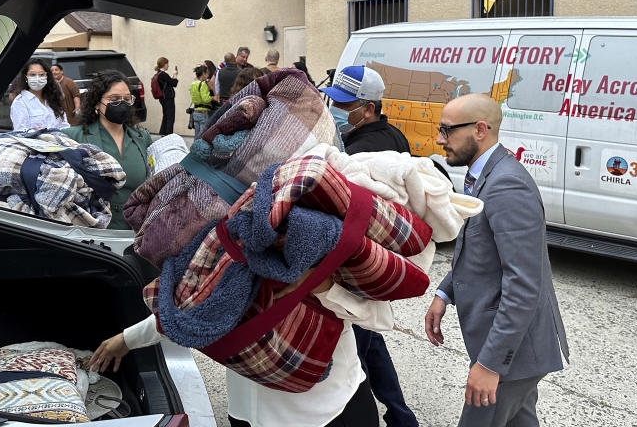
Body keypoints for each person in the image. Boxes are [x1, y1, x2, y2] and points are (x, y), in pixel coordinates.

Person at [424, 93, 569, 427]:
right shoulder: (485, 173)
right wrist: (444, 293)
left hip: (511, 357)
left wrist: (490, 365)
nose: (439, 139)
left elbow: (523, 284)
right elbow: (477, 246)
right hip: (516, 356)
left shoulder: (506, 185)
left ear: (479, 129)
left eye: (447, 130)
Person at [90, 271, 387, 427]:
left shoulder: (328, 242)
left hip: (332, 411)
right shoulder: (234, 244)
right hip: (249, 412)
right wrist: (127, 338)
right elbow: (194, 310)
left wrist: (324, 288)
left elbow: (377, 317)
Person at [322, 65, 418, 427]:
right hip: (379, 264)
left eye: (345, 106)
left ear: (368, 108)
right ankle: (401, 416)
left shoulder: (364, 150)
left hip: (360, 267)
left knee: (355, 352)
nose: (336, 110)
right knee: (371, 342)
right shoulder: (394, 135)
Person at [63, 70, 152, 229]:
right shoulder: (73, 137)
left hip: (135, 231)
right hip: (93, 232)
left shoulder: (142, 138)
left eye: (126, 99)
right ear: (97, 103)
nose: (122, 104)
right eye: (114, 99)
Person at [9, 58, 69, 131]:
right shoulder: (20, 102)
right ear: (25, 77)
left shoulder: (53, 98)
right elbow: (21, 132)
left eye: (41, 74)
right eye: (32, 74)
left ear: (46, 76)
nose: (37, 78)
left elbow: (64, 126)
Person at [153, 56, 179, 135]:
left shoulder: (158, 74)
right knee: (170, 117)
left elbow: (168, 82)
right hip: (168, 98)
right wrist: (175, 75)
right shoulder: (163, 74)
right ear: (164, 64)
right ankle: (169, 135)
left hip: (162, 98)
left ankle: (163, 133)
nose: (168, 66)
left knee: (166, 116)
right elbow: (174, 83)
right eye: (167, 64)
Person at [189, 64, 213, 139]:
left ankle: (195, 149)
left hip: (195, 112)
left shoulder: (193, 84)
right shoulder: (202, 84)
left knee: (196, 135)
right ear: (203, 74)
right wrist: (212, 97)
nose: (208, 75)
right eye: (207, 73)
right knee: (203, 136)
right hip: (203, 112)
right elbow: (205, 99)